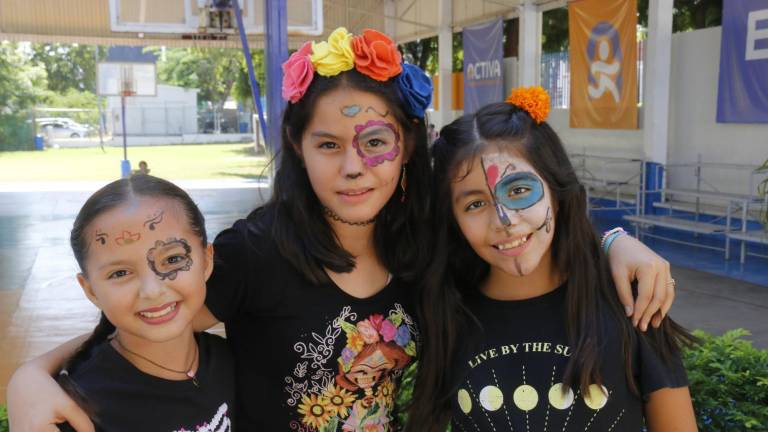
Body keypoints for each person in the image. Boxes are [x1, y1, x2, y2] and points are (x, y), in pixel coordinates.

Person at [8, 29, 675, 432]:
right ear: (298, 148)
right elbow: (149, 317)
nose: (354, 167)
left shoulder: (425, 244)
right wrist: (33, 375)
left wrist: (614, 240)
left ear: (409, 146)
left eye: (376, 142)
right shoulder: (255, 252)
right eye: (329, 145)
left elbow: (516, 220)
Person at [406, 87, 697, 431]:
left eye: (518, 190)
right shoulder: (444, 312)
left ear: (557, 190)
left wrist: (613, 240)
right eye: (475, 204)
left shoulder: (630, 302)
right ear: (453, 219)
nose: (504, 220)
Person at [55, 175, 234, 431]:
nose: (151, 291)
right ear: (91, 290)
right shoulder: (76, 408)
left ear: (206, 261)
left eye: (172, 260)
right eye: (120, 273)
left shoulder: (233, 362)